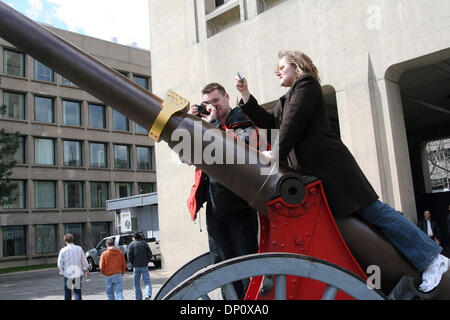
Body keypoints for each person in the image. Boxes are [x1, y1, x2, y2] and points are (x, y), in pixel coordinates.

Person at [235, 50, 449, 293]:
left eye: (282, 67)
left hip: (333, 168)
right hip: (321, 172)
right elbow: (267, 121)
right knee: (367, 218)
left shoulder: (307, 85)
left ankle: (433, 260)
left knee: (375, 212)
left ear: (297, 66)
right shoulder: (288, 97)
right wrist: (245, 93)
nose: (277, 72)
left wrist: (274, 156)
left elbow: (292, 124)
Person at [187, 82, 260, 299]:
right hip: (214, 204)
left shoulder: (242, 117)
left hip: (239, 203)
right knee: (221, 263)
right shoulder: (205, 123)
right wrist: (191, 123)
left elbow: (244, 148)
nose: (212, 107)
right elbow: (186, 157)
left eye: (216, 102)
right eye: (207, 104)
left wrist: (213, 125)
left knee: (245, 261)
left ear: (227, 97)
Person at [57, 234, 90, 300]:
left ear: (65, 241)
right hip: (77, 274)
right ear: (73, 240)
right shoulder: (79, 248)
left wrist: (62, 272)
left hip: (68, 274)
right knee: (77, 292)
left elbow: (59, 263)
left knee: (68, 294)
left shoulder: (63, 250)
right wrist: (86, 270)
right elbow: (84, 261)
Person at [128, 232, 153, 300]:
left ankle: (138, 298)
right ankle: (148, 295)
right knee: (147, 282)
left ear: (134, 238)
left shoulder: (132, 244)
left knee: (136, 284)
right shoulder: (144, 243)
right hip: (144, 266)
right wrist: (147, 261)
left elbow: (129, 256)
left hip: (136, 267)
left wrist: (132, 263)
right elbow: (150, 254)